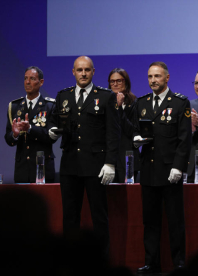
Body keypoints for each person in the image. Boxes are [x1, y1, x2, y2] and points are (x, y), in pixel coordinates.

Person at [49, 56, 121, 255]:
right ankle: (70, 262)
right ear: (73, 72)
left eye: (87, 70)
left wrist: (110, 163)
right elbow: (54, 123)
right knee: (70, 217)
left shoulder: (106, 97)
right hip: (70, 165)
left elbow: (113, 133)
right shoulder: (63, 96)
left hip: (96, 166)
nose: (83, 74)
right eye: (79, 70)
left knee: (99, 217)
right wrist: (52, 131)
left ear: (93, 72)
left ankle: (101, 262)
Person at [133, 61, 191, 273]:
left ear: (167, 78)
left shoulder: (179, 102)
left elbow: (184, 139)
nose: (153, 81)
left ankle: (179, 263)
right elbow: (133, 131)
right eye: (150, 77)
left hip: (170, 171)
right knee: (150, 221)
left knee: (175, 221)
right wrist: (136, 140)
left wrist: (179, 167)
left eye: (157, 76)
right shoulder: (142, 103)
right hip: (148, 170)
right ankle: (151, 262)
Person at [4, 66, 56, 183]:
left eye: (32, 78)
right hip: (22, 168)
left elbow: (51, 137)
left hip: (42, 168)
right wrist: (15, 135)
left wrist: (30, 129)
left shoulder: (50, 106)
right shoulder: (14, 106)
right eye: (25, 78)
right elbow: (8, 139)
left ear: (41, 82)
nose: (27, 82)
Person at [108, 68, 139, 183]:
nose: (115, 84)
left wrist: (119, 108)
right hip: (109, 157)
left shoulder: (134, 103)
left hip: (127, 157)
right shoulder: (104, 102)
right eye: (112, 81)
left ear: (126, 82)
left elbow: (132, 130)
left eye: (119, 81)